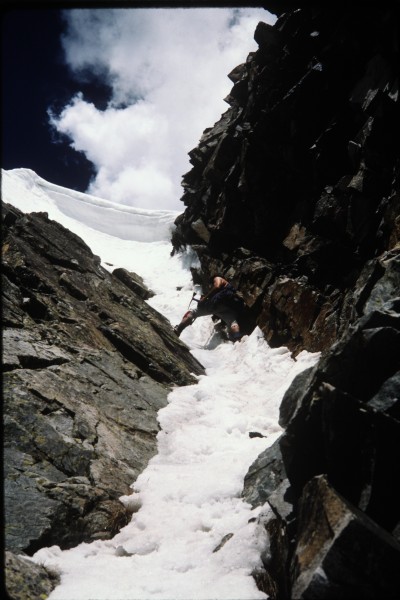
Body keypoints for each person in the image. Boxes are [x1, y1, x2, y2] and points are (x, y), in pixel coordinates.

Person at [174, 275, 244, 341]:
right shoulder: (229, 286)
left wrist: (205, 298)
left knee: (194, 313)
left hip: (216, 304)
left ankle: (178, 329)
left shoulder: (217, 278)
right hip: (226, 306)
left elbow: (217, 286)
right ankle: (237, 338)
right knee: (232, 321)